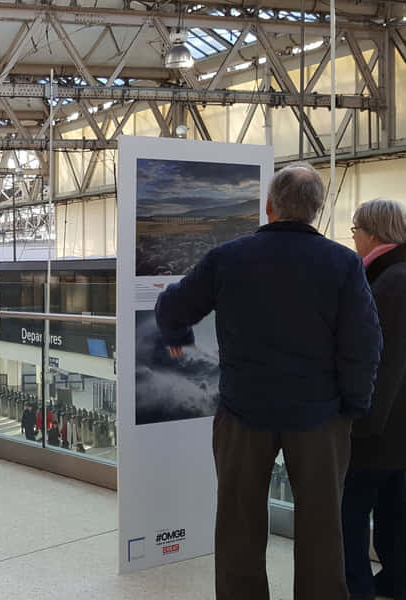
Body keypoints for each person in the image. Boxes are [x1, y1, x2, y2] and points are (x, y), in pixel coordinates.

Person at [154, 162, 382, 600]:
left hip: (244, 411)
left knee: (239, 523)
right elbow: (364, 343)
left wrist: (179, 336)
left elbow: (172, 309)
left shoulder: (229, 257)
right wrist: (353, 405)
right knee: (321, 526)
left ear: (269, 206)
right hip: (320, 416)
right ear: (316, 209)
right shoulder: (343, 263)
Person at [342, 198, 406, 600]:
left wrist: (361, 424)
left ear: (372, 233)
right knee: (393, 514)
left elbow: (383, 363)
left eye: (354, 232)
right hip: (397, 429)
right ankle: (396, 582)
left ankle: (356, 589)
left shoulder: (390, 283)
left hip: (379, 429)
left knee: (350, 514)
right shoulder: (394, 275)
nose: (353, 241)